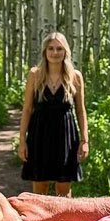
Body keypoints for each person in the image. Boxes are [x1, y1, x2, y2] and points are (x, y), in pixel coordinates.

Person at [19, 32, 89, 197]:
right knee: (39, 188)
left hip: (66, 136)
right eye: (51, 48)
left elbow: (80, 109)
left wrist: (84, 140)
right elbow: (27, 109)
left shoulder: (75, 76)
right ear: (45, 51)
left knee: (63, 191)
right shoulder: (35, 75)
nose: (55, 52)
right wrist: (22, 140)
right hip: (39, 135)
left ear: (65, 51)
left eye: (59, 48)